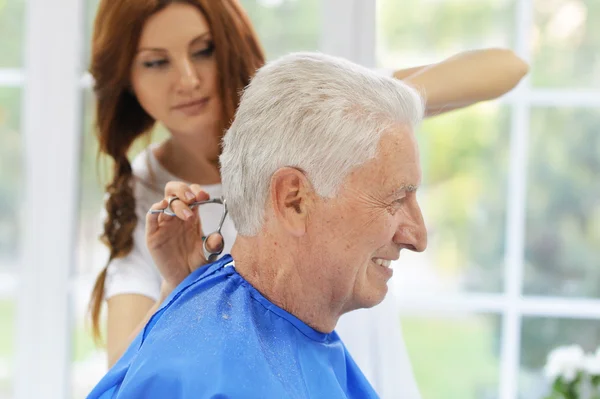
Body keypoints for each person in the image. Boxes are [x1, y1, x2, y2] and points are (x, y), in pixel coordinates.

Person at [87, 0, 530, 396]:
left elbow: (509, 66)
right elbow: (135, 376)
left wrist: (365, 114)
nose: (187, 79)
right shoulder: (148, 194)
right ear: (125, 77)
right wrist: (177, 289)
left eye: (203, 50)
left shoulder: (316, 112)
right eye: (155, 63)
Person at [88, 50, 427, 399]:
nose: (418, 237)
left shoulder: (295, 333)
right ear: (294, 200)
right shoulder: (198, 375)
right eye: (395, 199)